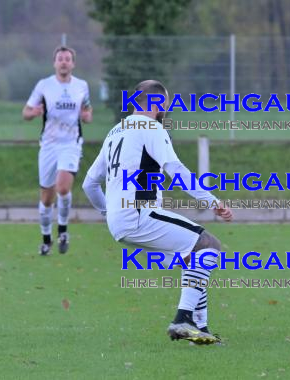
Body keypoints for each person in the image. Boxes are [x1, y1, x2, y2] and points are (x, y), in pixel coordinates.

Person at [82, 80, 233, 345]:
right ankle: (183, 319)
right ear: (158, 103)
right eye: (166, 103)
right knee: (208, 245)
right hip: (140, 214)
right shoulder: (151, 127)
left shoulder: (116, 130)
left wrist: (109, 212)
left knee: (193, 257)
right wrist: (212, 201)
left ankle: (201, 327)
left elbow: (89, 183)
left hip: (120, 222)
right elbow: (175, 169)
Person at [22, 46, 93, 255]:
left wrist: (87, 117)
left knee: (62, 188)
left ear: (73, 64)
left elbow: (88, 111)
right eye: (60, 59)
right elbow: (25, 112)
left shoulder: (81, 86)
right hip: (49, 145)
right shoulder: (44, 86)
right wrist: (33, 112)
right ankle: (46, 239)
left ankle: (63, 231)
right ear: (54, 63)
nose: (63, 62)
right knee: (46, 197)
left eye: (67, 59)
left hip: (71, 143)